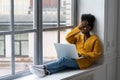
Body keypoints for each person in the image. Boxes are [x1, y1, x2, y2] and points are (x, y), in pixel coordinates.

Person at [29, 14, 102, 77]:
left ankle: (43, 67)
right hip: (75, 59)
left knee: (63, 60)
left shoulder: (95, 39)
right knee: (63, 66)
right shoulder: (78, 37)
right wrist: (78, 28)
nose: (84, 28)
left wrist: (82, 54)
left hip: (85, 62)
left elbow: (97, 54)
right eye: (82, 26)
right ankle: (45, 72)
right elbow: (68, 37)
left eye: (86, 26)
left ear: (91, 27)